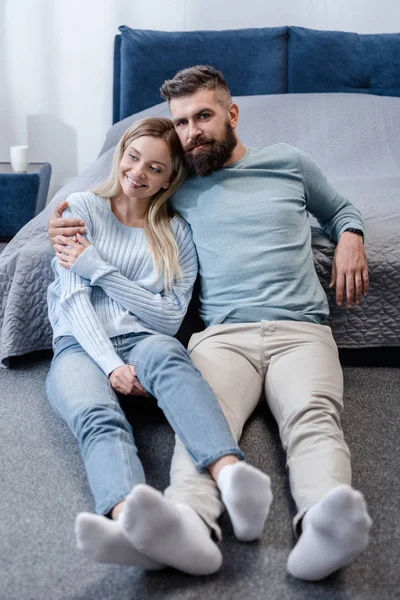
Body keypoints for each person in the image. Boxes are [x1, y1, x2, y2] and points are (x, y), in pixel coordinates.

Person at [49, 67, 372, 582]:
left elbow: (340, 209)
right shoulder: (174, 186)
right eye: (181, 123)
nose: (193, 131)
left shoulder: (289, 162)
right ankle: (189, 525)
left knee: (313, 416)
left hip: (301, 330)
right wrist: (59, 219)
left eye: (203, 115)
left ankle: (322, 524)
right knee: (197, 423)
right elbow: (120, 191)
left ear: (231, 113)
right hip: (222, 337)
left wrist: (351, 234)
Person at [46, 116, 272, 576]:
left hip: (147, 340)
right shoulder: (80, 209)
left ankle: (230, 476)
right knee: (97, 416)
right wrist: (111, 366)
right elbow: (72, 301)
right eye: (133, 157)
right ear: (121, 152)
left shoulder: (176, 233)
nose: (138, 173)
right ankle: (130, 519)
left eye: (154, 168)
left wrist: (100, 269)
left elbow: (169, 319)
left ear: (171, 178)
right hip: (80, 344)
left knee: (174, 362)